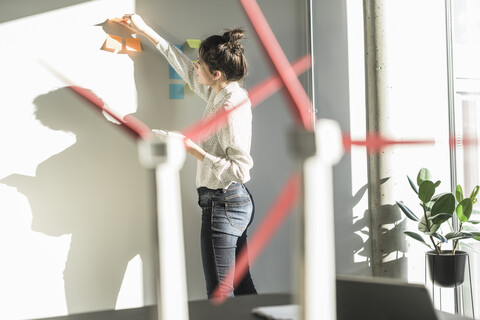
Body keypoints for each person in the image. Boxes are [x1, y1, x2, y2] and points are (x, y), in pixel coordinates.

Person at [122, 14, 257, 299]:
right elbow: (184, 67)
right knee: (241, 290)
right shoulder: (221, 93)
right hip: (231, 203)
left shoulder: (229, 105)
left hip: (224, 204)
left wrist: (191, 148)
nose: (195, 67)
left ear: (216, 74)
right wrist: (146, 31)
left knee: (220, 297)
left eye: (201, 64)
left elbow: (241, 169)